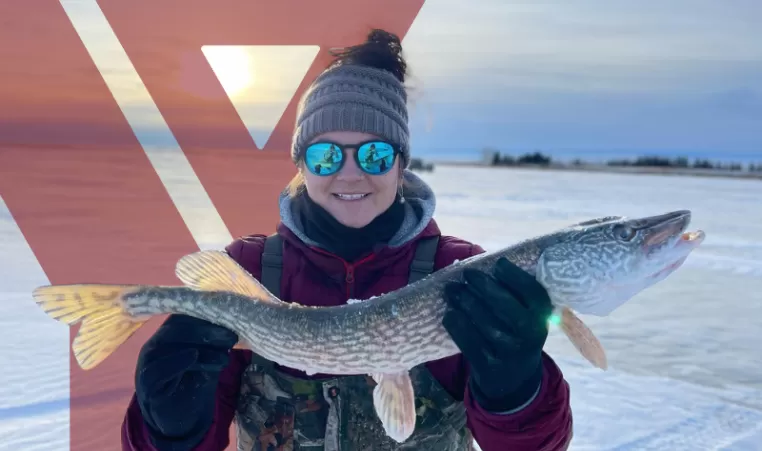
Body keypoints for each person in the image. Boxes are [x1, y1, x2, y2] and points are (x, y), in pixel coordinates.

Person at [121, 29, 573, 451]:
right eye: (326, 154)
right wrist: (168, 424)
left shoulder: (462, 273)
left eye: (375, 154)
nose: (351, 172)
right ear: (301, 165)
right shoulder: (250, 269)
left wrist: (518, 393)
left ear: (401, 165)